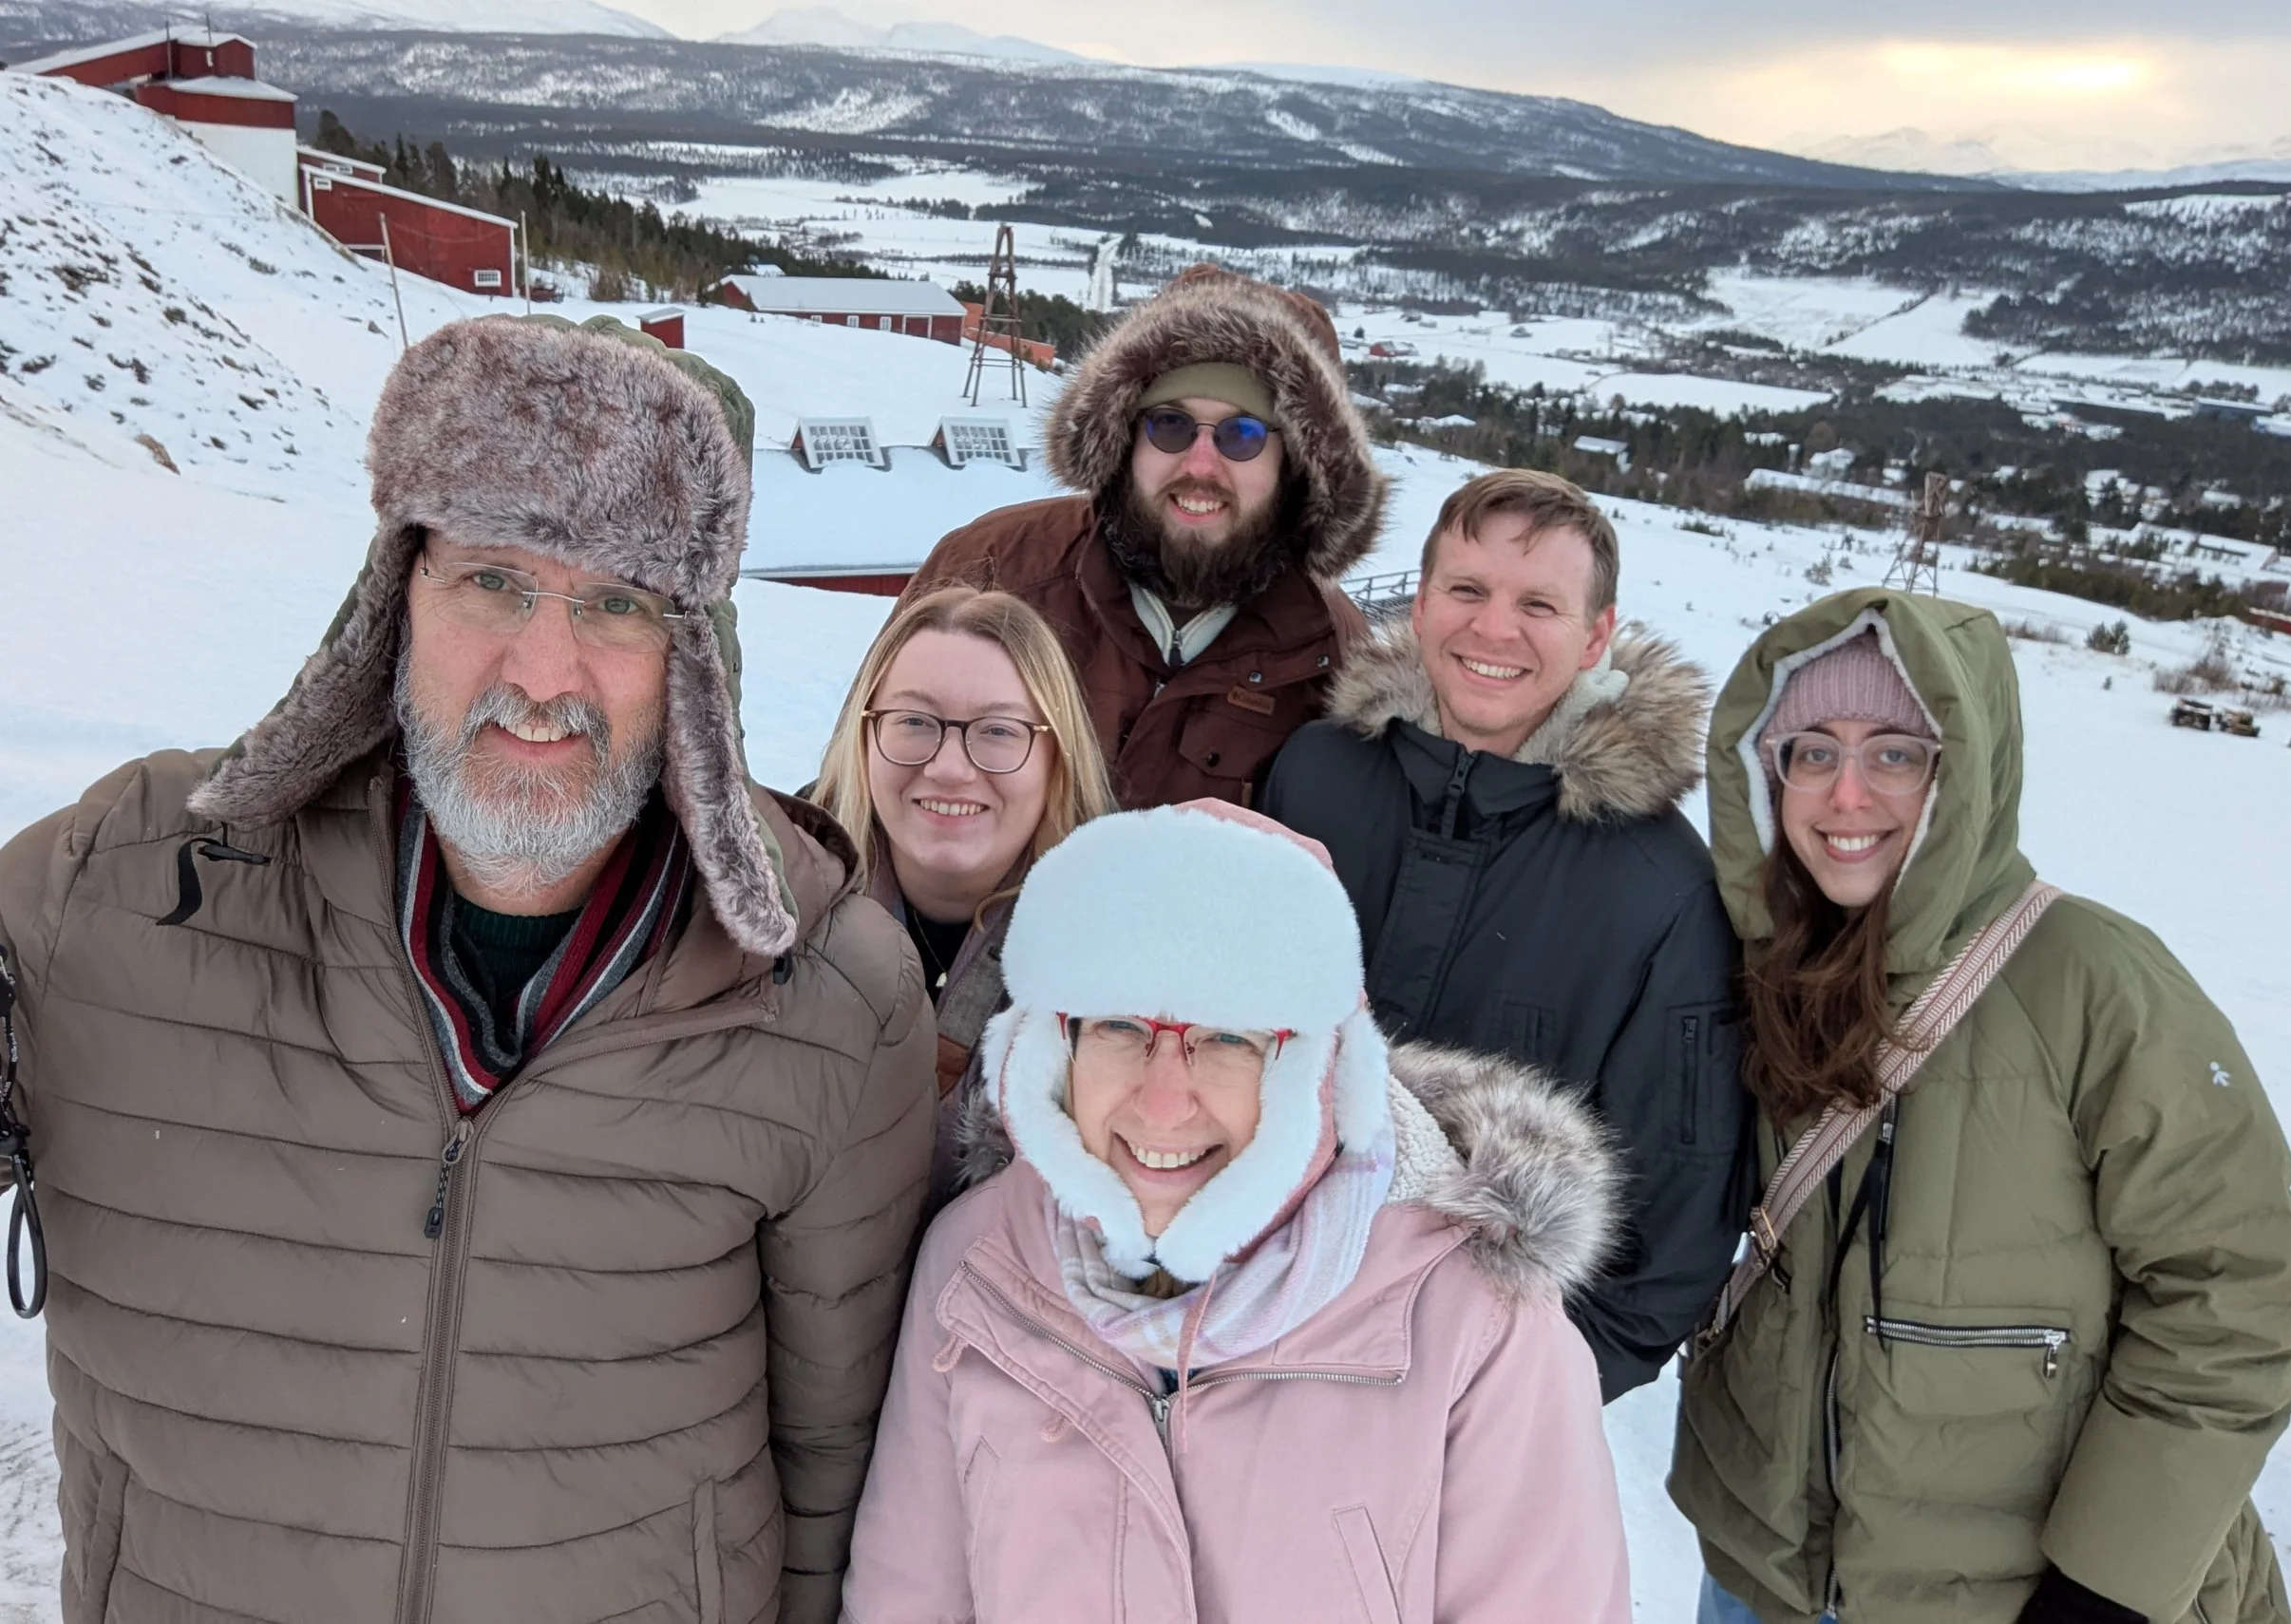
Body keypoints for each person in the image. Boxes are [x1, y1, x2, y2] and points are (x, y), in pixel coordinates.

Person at [0, 316, 937, 1623]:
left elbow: (836, 1470)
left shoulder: (830, 995)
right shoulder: (128, 885)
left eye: (617, 601)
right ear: (398, 596)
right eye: (492, 579)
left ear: (692, 658)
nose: (543, 675)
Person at [1671, 589, 2291, 1624]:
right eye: (1813, 752)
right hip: (1761, 1579)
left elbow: (2233, 1296)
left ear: (1964, 771)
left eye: (1896, 754)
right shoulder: (1754, 969)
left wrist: (2109, 1582)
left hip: (2007, 1599)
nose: (1846, 795)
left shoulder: (2094, 983)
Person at [840, 803, 1632, 1624]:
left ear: (1318, 1067)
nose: (1162, 1102)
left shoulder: (1475, 1327)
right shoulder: (976, 1262)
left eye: (1228, 1039)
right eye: (1119, 1025)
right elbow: (907, 1596)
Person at [1262, 468, 1750, 1400]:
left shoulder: (1660, 890)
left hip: (1455, 1398)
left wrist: (1508, 1410)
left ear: (1595, 635)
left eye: (1538, 604)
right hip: (1233, 1332)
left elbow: (1668, 1241)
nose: (1493, 630)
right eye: (1467, 589)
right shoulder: (1314, 777)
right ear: (1420, 602)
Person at [899, 264, 1385, 809]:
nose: (1200, 465)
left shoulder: (1331, 654)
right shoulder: (991, 570)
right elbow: (864, 790)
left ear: (1295, 467)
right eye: (1170, 424)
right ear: (1125, 436)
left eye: (1242, 434)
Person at [810, 584, 1115, 1106]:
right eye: (913, 721)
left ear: (1057, 757)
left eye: (998, 730)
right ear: (863, 738)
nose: (949, 768)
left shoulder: (1122, 952)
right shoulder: (767, 911)